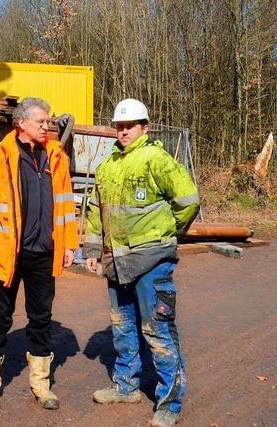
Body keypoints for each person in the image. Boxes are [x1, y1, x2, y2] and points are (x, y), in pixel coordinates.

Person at [83, 98, 200, 426]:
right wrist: (92, 252)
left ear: (144, 127)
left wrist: (166, 233)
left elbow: (188, 201)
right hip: (116, 262)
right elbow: (96, 213)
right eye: (119, 127)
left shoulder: (156, 159)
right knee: (122, 328)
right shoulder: (108, 165)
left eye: (130, 126)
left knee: (158, 328)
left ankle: (170, 403)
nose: (123, 132)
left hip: (152, 262)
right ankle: (126, 385)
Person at [0, 97, 78, 411]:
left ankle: (41, 384)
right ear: (21, 124)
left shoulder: (55, 157)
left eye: (48, 122)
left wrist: (69, 244)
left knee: (41, 319)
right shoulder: (0, 157)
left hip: (43, 253)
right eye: (41, 122)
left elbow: (64, 204)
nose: (46, 126)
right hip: (8, 254)